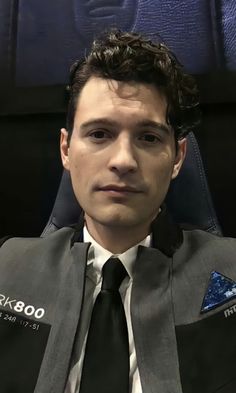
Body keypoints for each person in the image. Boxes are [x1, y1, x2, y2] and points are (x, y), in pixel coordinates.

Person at [0, 29, 236, 393]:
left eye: (148, 137)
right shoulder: (5, 268)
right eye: (99, 134)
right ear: (66, 149)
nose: (123, 160)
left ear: (177, 157)